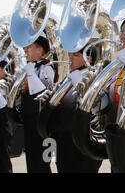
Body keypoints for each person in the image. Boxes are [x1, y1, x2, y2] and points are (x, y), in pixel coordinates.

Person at [46, 45, 103, 173]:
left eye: (76, 55)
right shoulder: (68, 78)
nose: (70, 58)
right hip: (64, 142)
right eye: (70, 54)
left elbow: (97, 109)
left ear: (88, 58)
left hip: (83, 144)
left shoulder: (94, 78)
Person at [20, 35, 56, 173]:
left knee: (41, 159)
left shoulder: (46, 68)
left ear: (39, 50)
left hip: (40, 120)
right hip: (28, 118)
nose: (26, 50)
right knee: (31, 157)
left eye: (29, 47)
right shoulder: (30, 68)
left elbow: (41, 92)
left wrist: (30, 73)